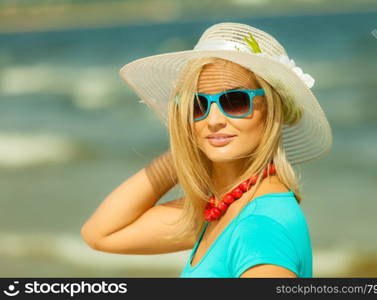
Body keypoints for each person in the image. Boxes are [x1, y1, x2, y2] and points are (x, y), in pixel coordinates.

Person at [80, 22, 332, 278]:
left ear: (271, 110)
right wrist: (188, 146)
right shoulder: (223, 210)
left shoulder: (259, 229)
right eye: (197, 104)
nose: (213, 120)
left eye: (235, 101)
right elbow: (101, 234)